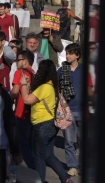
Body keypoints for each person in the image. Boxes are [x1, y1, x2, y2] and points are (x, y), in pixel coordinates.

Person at [20, 60, 73, 183]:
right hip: (51, 124)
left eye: (39, 70)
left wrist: (23, 84)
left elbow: (27, 100)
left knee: (38, 156)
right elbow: (34, 98)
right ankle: (66, 179)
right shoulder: (52, 86)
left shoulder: (44, 87)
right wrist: (28, 85)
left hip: (42, 125)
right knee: (48, 155)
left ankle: (40, 181)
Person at [58, 43, 82, 177]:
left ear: (77, 55)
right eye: (67, 53)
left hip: (83, 110)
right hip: (68, 111)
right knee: (68, 141)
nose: (68, 55)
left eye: (71, 53)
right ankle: (72, 166)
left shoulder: (84, 70)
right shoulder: (62, 70)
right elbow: (55, 86)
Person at [10, 50, 35, 169]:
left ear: (25, 62)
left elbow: (15, 92)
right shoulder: (34, 73)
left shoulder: (20, 72)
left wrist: (8, 99)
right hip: (32, 113)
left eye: (18, 59)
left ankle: (35, 174)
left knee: (22, 147)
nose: (16, 62)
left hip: (20, 113)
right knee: (30, 145)